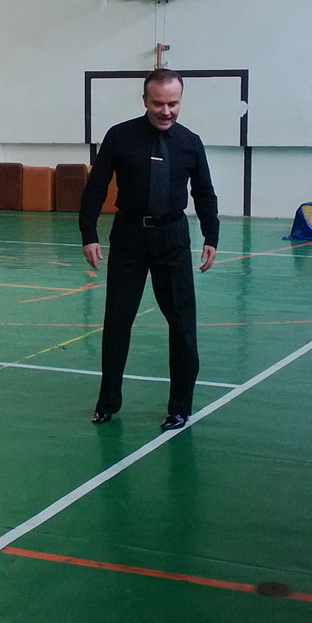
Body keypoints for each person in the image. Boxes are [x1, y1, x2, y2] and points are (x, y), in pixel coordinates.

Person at [79, 69, 220, 432]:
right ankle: (107, 402)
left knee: (183, 326)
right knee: (117, 323)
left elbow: (204, 192)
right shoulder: (119, 137)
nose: (166, 111)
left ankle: (180, 407)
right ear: (145, 100)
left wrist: (211, 235)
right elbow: (96, 186)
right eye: (158, 103)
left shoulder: (190, 143)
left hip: (172, 239)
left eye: (173, 103)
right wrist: (89, 233)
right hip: (128, 237)